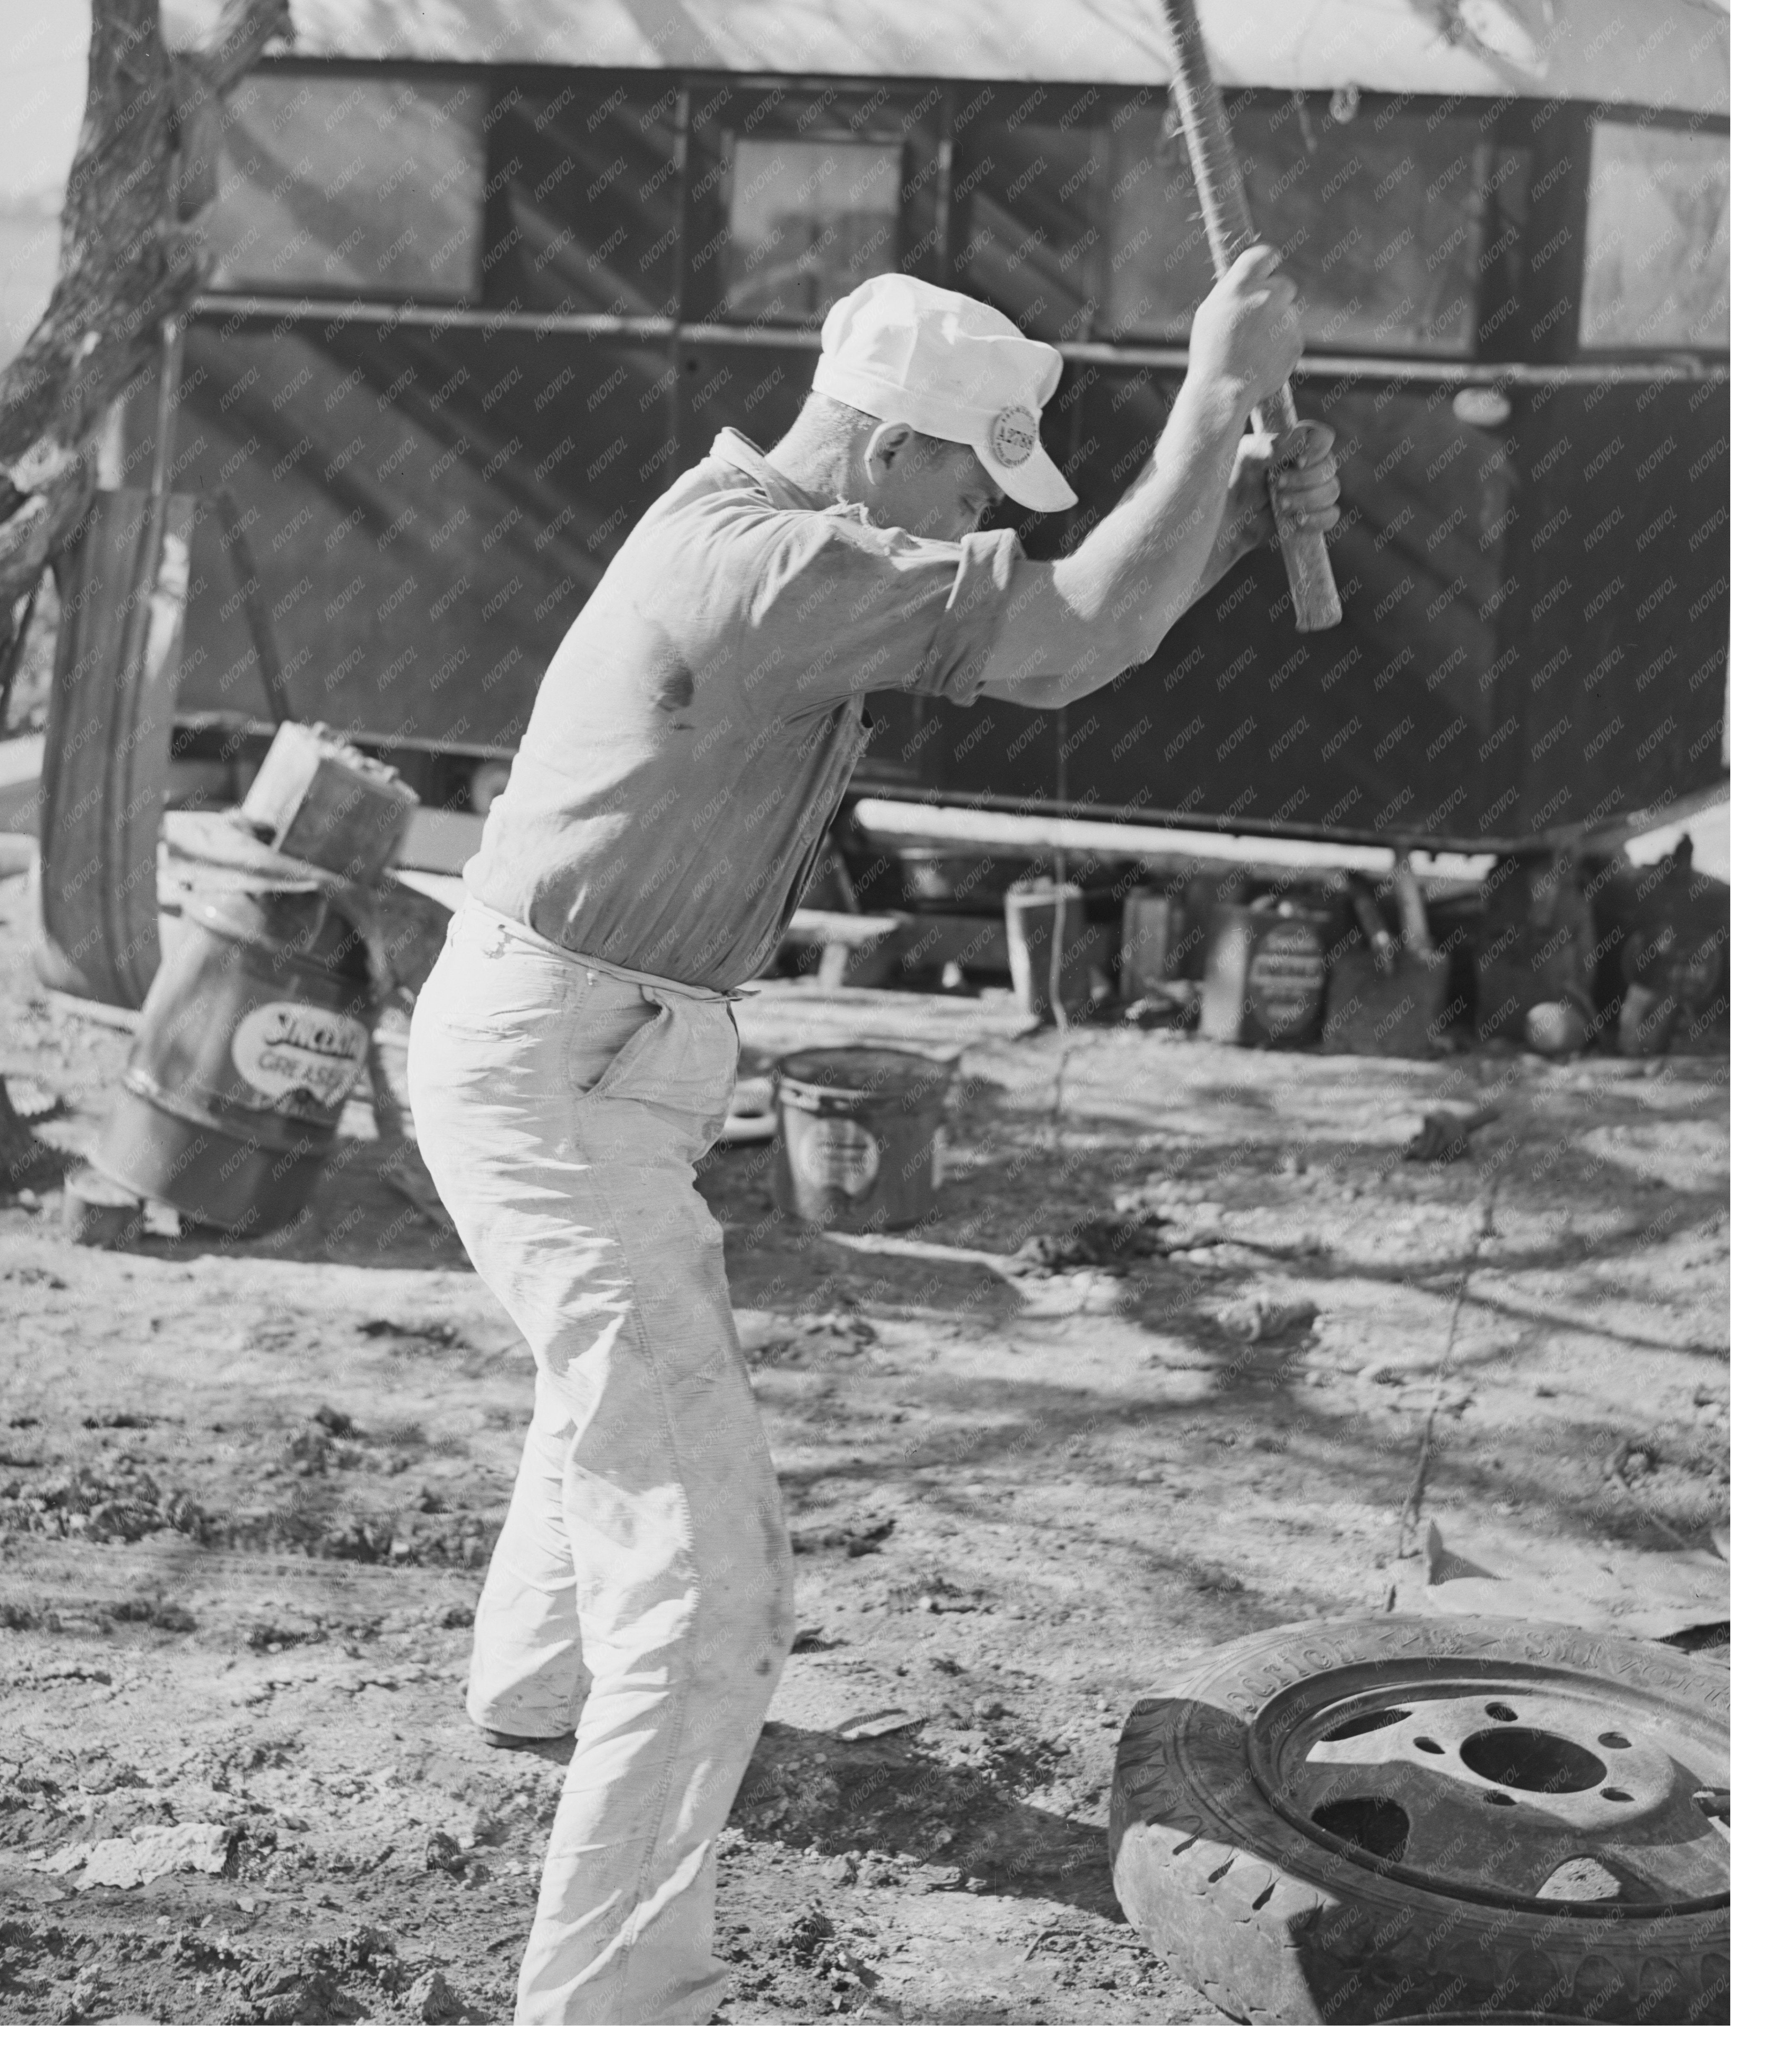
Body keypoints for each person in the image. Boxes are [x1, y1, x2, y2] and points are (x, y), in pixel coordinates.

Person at [407, 252, 1339, 2023]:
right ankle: (610, 2019)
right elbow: (1069, 641)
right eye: (969, 479)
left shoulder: (793, 538)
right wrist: (1216, 398)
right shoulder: (761, 564)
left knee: (610, 1378)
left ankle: (539, 1685)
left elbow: (1098, 610)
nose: (976, 513)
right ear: (892, 451)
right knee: (710, 1584)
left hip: (606, 1048)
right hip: (556, 1059)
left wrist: (1226, 514)